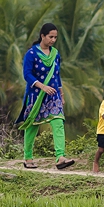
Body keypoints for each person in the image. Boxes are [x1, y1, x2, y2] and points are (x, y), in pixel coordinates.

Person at [18, 23, 75, 169]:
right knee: (32, 126)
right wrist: (42, 86)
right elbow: (27, 75)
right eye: (50, 37)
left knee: (58, 122)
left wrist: (61, 94)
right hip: (36, 95)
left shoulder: (55, 54)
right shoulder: (31, 54)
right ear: (42, 36)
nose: (53, 40)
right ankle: (28, 157)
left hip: (53, 95)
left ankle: (60, 157)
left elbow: (57, 75)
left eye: (55, 37)